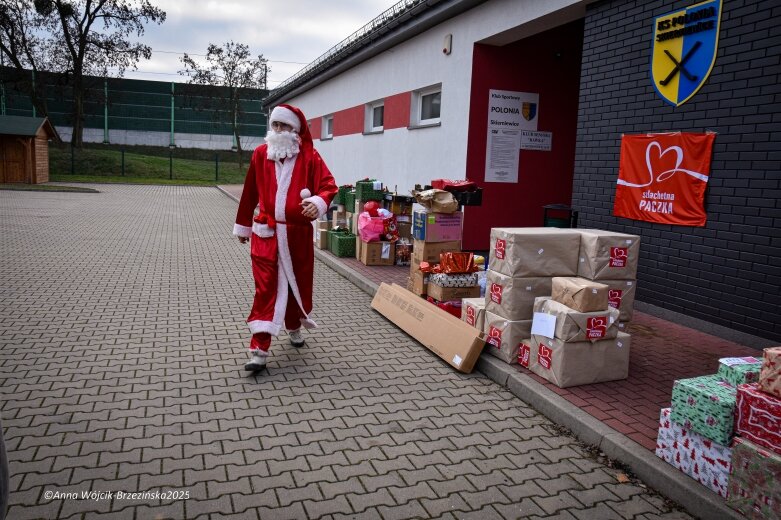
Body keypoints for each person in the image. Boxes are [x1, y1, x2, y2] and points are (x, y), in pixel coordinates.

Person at [234, 104, 338, 371]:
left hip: (297, 237)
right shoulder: (260, 154)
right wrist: (243, 226)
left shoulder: (310, 157)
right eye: (275, 126)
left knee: (294, 287)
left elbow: (328, 186)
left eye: (284, 126)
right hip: (266, 234)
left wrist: (318, 202)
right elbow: (249, 192)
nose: (278, 131)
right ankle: (259, 349)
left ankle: (293, 326)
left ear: (296, 130)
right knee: (266, 290)